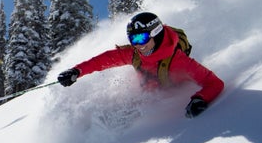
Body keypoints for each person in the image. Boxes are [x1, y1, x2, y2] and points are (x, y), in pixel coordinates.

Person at [57, 12, 224, 118]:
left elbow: (214, 83)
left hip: (166, 105)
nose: (138, 45)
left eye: (141, 38)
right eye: (133, 39)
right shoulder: (134, 54)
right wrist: (77, 71)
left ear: (156, 33)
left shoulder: (179, 61)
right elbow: (102, 61)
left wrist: (200, 99)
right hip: (144, 100)